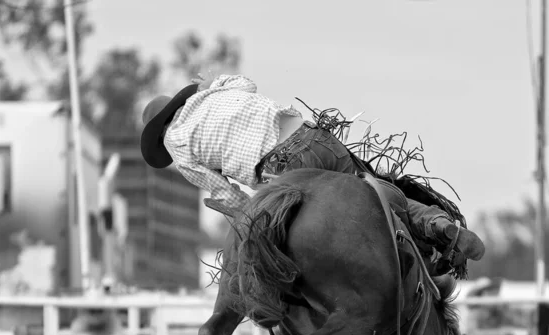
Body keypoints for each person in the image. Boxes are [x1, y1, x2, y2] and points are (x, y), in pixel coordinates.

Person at [140, 73, 485, 276]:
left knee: (279, 254)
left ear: (160, 133)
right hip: (315, 137)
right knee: (373, 191)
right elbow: (247, 82)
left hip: (283, 170)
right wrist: (210, 85)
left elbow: (227, 194)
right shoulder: (219, 92)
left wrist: (247, 210)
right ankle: (437, 227)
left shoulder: (177, 145)